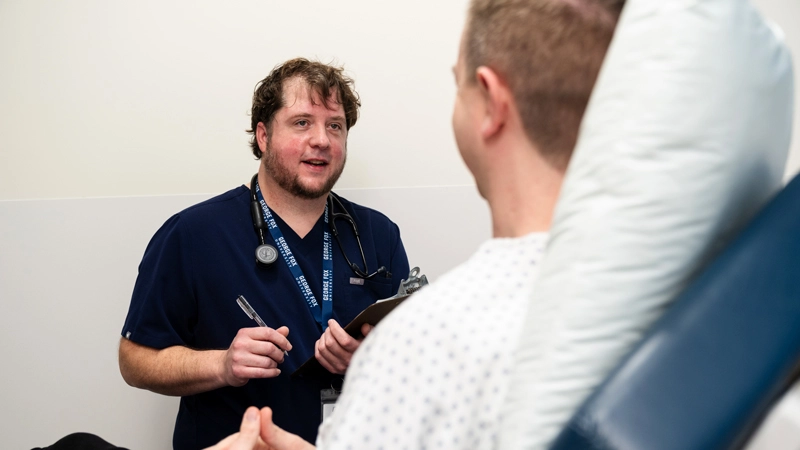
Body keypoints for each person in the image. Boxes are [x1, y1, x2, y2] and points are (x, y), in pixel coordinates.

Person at [206, 0, 625, 449]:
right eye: (303, 123)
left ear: (490, 102)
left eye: (456, 83)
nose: (321, 140)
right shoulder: (644, 292)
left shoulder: (426, 338)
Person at [118, 58, 410, 450]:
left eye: (335, 125)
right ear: (263, 135)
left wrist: (366, 362)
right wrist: (220, 365)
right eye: (302, 122)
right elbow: (134, 360)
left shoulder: (378, 235)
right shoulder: (194, 234)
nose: (322, 139)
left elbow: (411, 364)